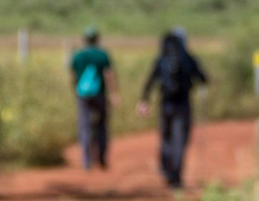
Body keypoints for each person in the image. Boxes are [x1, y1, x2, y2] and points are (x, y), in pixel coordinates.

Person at [137, 31, 208, 188]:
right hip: (183, 105)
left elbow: (150, 81)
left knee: (166, 137)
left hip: (165, 104)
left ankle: (166, 167)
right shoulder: (188, 59)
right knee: (180, 140)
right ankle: (175, 174)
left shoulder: (162, 59)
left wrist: (144, 100)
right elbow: (203, 78)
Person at [71, 27, 120, 170]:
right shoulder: (102, 55)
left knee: (85, 126)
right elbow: (109, 75)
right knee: (102, 126)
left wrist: (76, 91)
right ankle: (102, 158)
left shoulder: (78, 56)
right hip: (100, 95)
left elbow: (73, 76)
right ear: (97, 39)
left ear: (85, 39)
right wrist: (113, 93)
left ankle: (86, 161)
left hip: (83, 95)